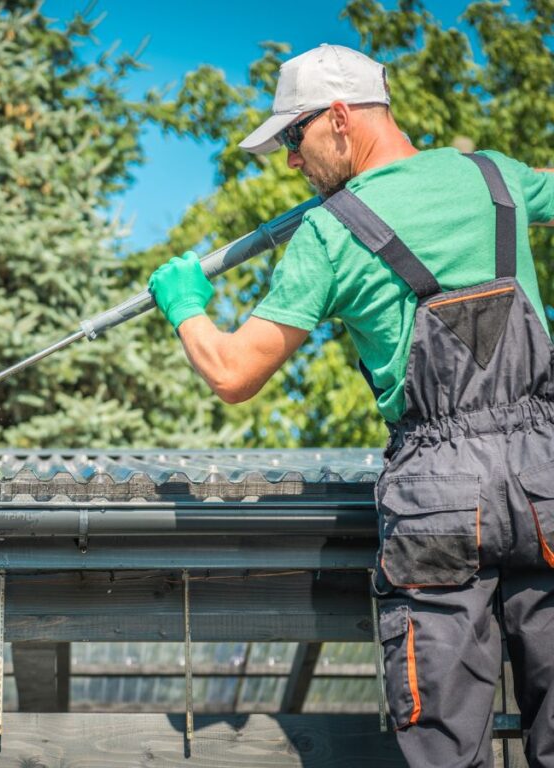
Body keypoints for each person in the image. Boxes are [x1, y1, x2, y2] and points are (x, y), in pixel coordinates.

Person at [148, 43, 554, 767]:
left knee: (442, 750)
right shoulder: (497, 178)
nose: (290, 162)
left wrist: (185, 306)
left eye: (293, 137)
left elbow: (233, 373)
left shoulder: (331, 233)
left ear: (340, 118)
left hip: (440, 498)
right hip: (547, 478)